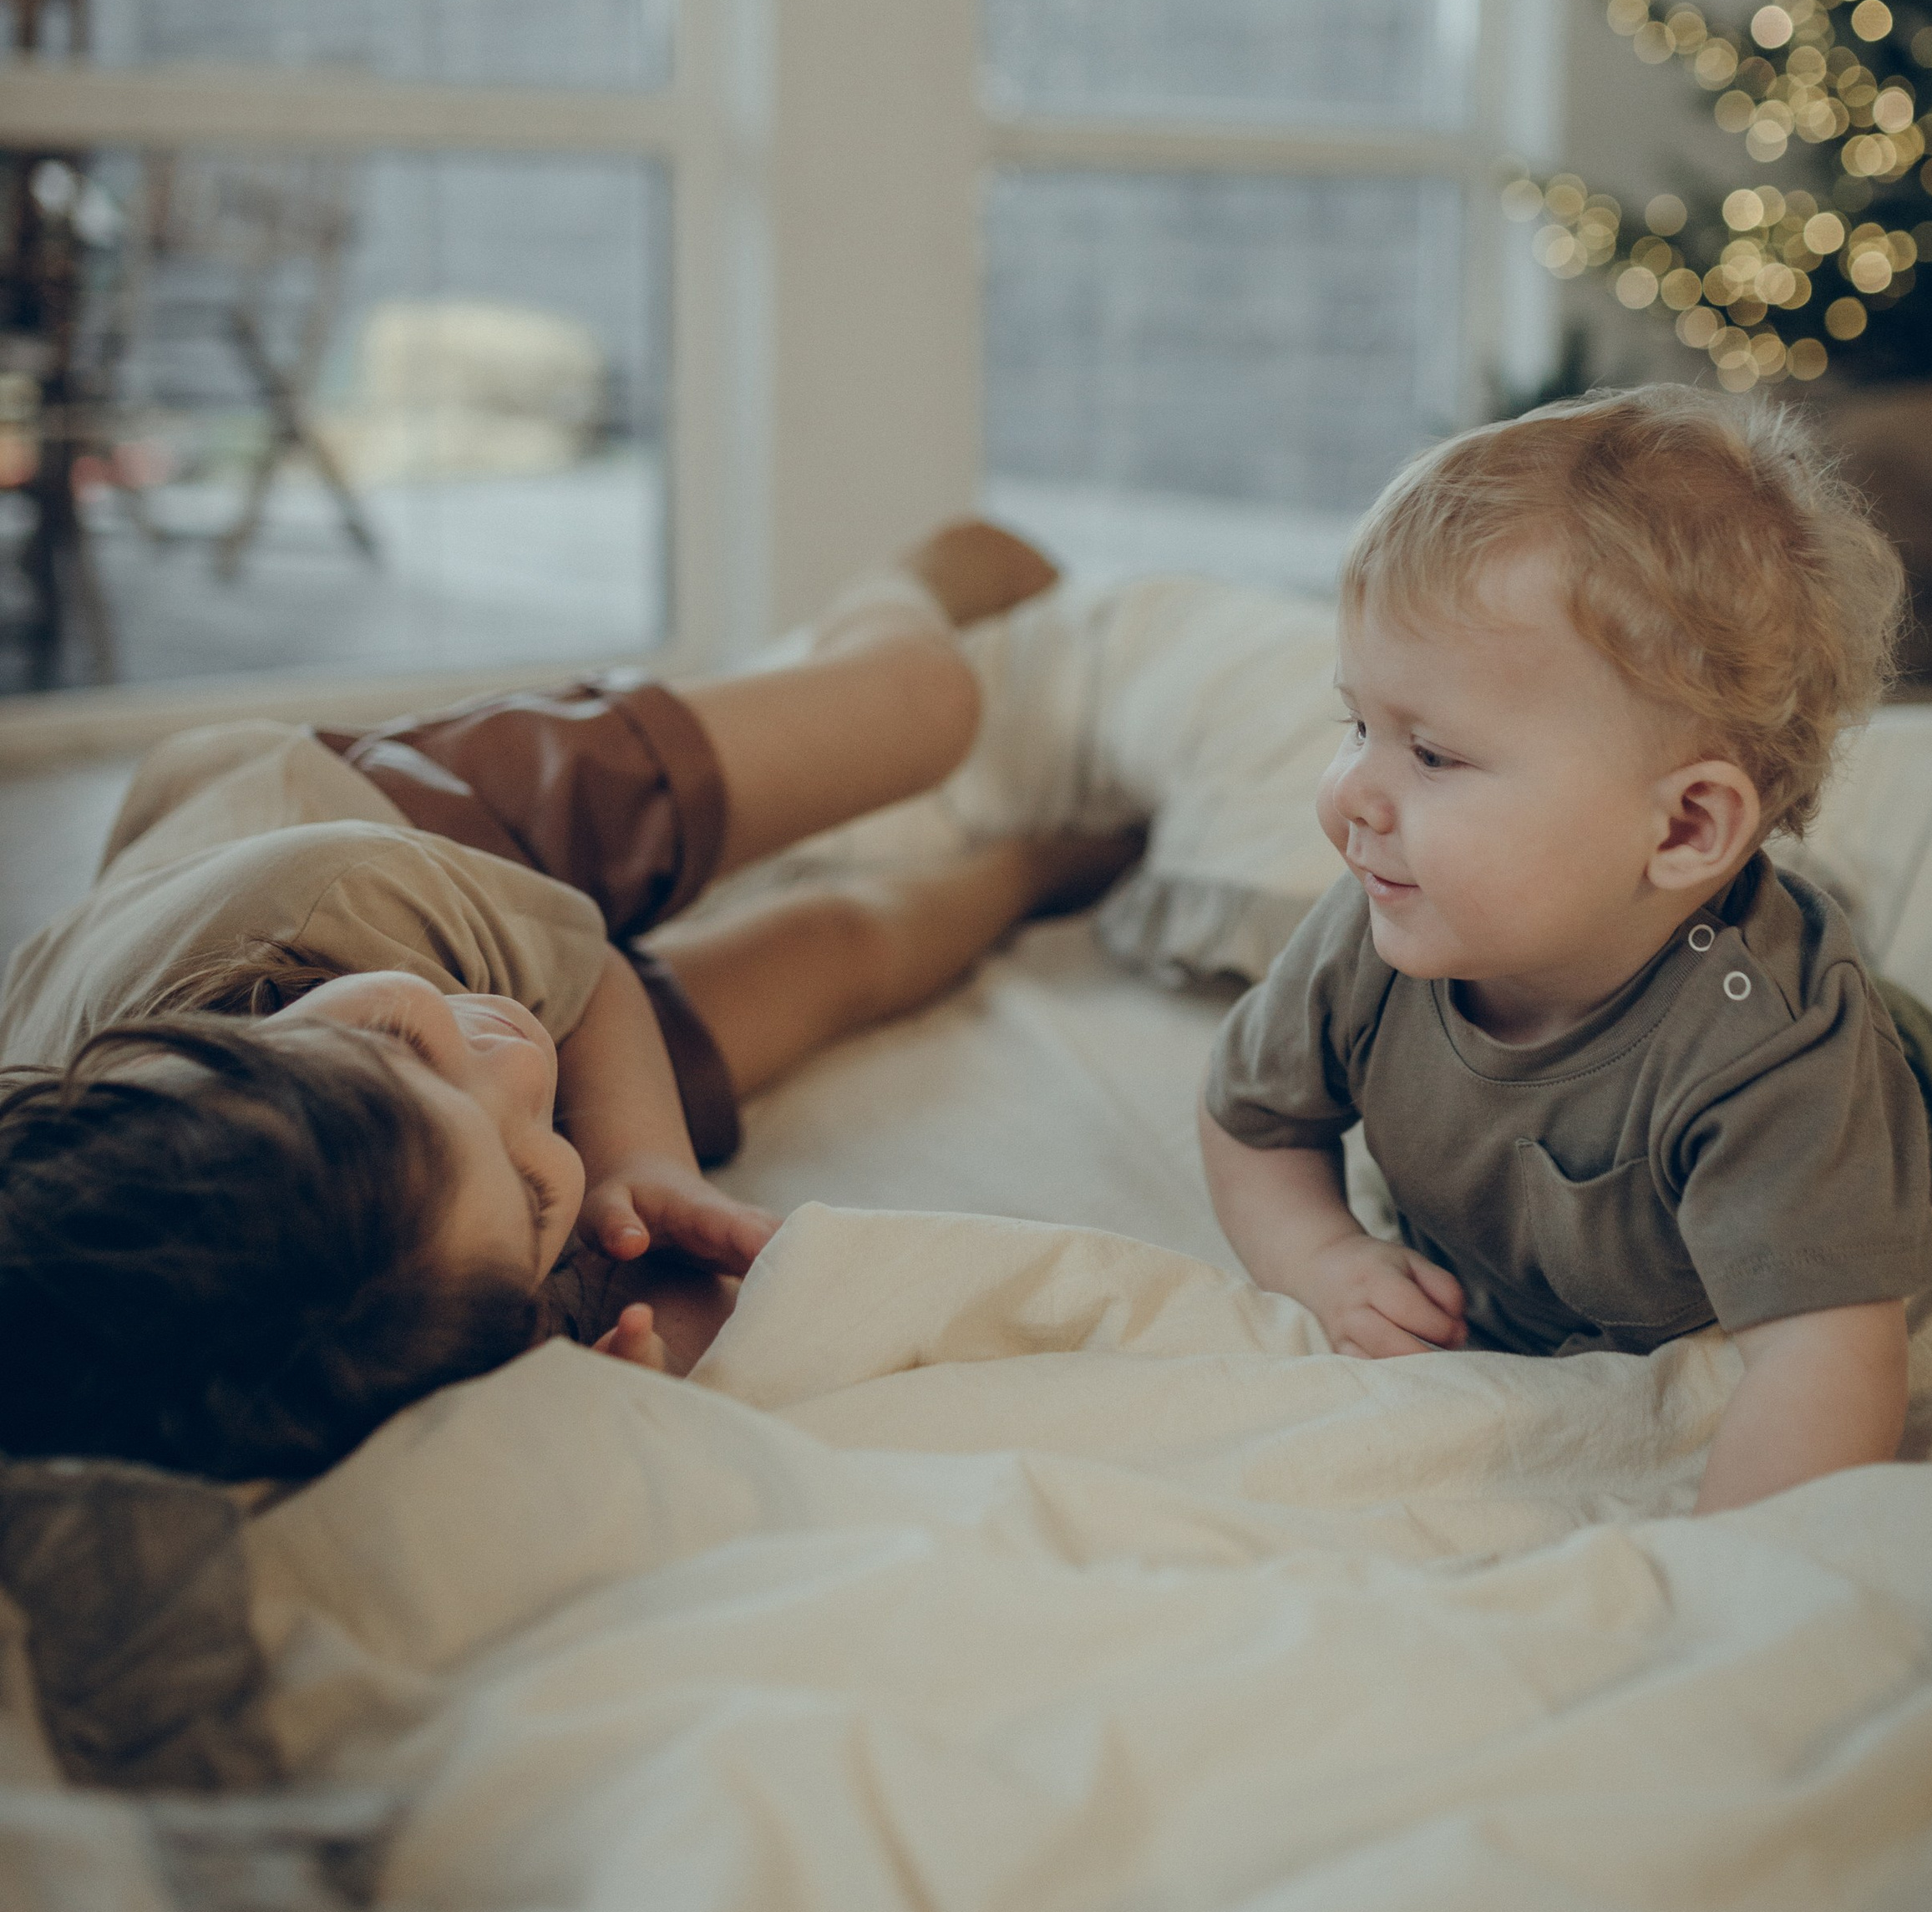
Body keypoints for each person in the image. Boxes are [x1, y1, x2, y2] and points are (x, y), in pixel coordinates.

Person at [0, 521, 1133, 1481]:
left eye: (410, 1048)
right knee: (836, 954)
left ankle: (924, 573)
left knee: (921, 711)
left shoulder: (324, 895)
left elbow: (579, 982)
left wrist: (647, 1161)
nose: (520, 1069)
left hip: (400, 821)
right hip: (412, 992)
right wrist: (595, 1370)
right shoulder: (326, 1323)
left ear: (236, 1045)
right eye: (538, 1191)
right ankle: (1036, 870)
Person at [1199, 389, 1932, 1513]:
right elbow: (1248, 1121)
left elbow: (1828, 1360)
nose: (1355, 794)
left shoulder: (1770, 1054)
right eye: (1359, 727)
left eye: (1433, 755)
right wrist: (1323, 1259)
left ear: (1686, 828)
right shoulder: (1376, 926)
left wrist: (1722, 1569)